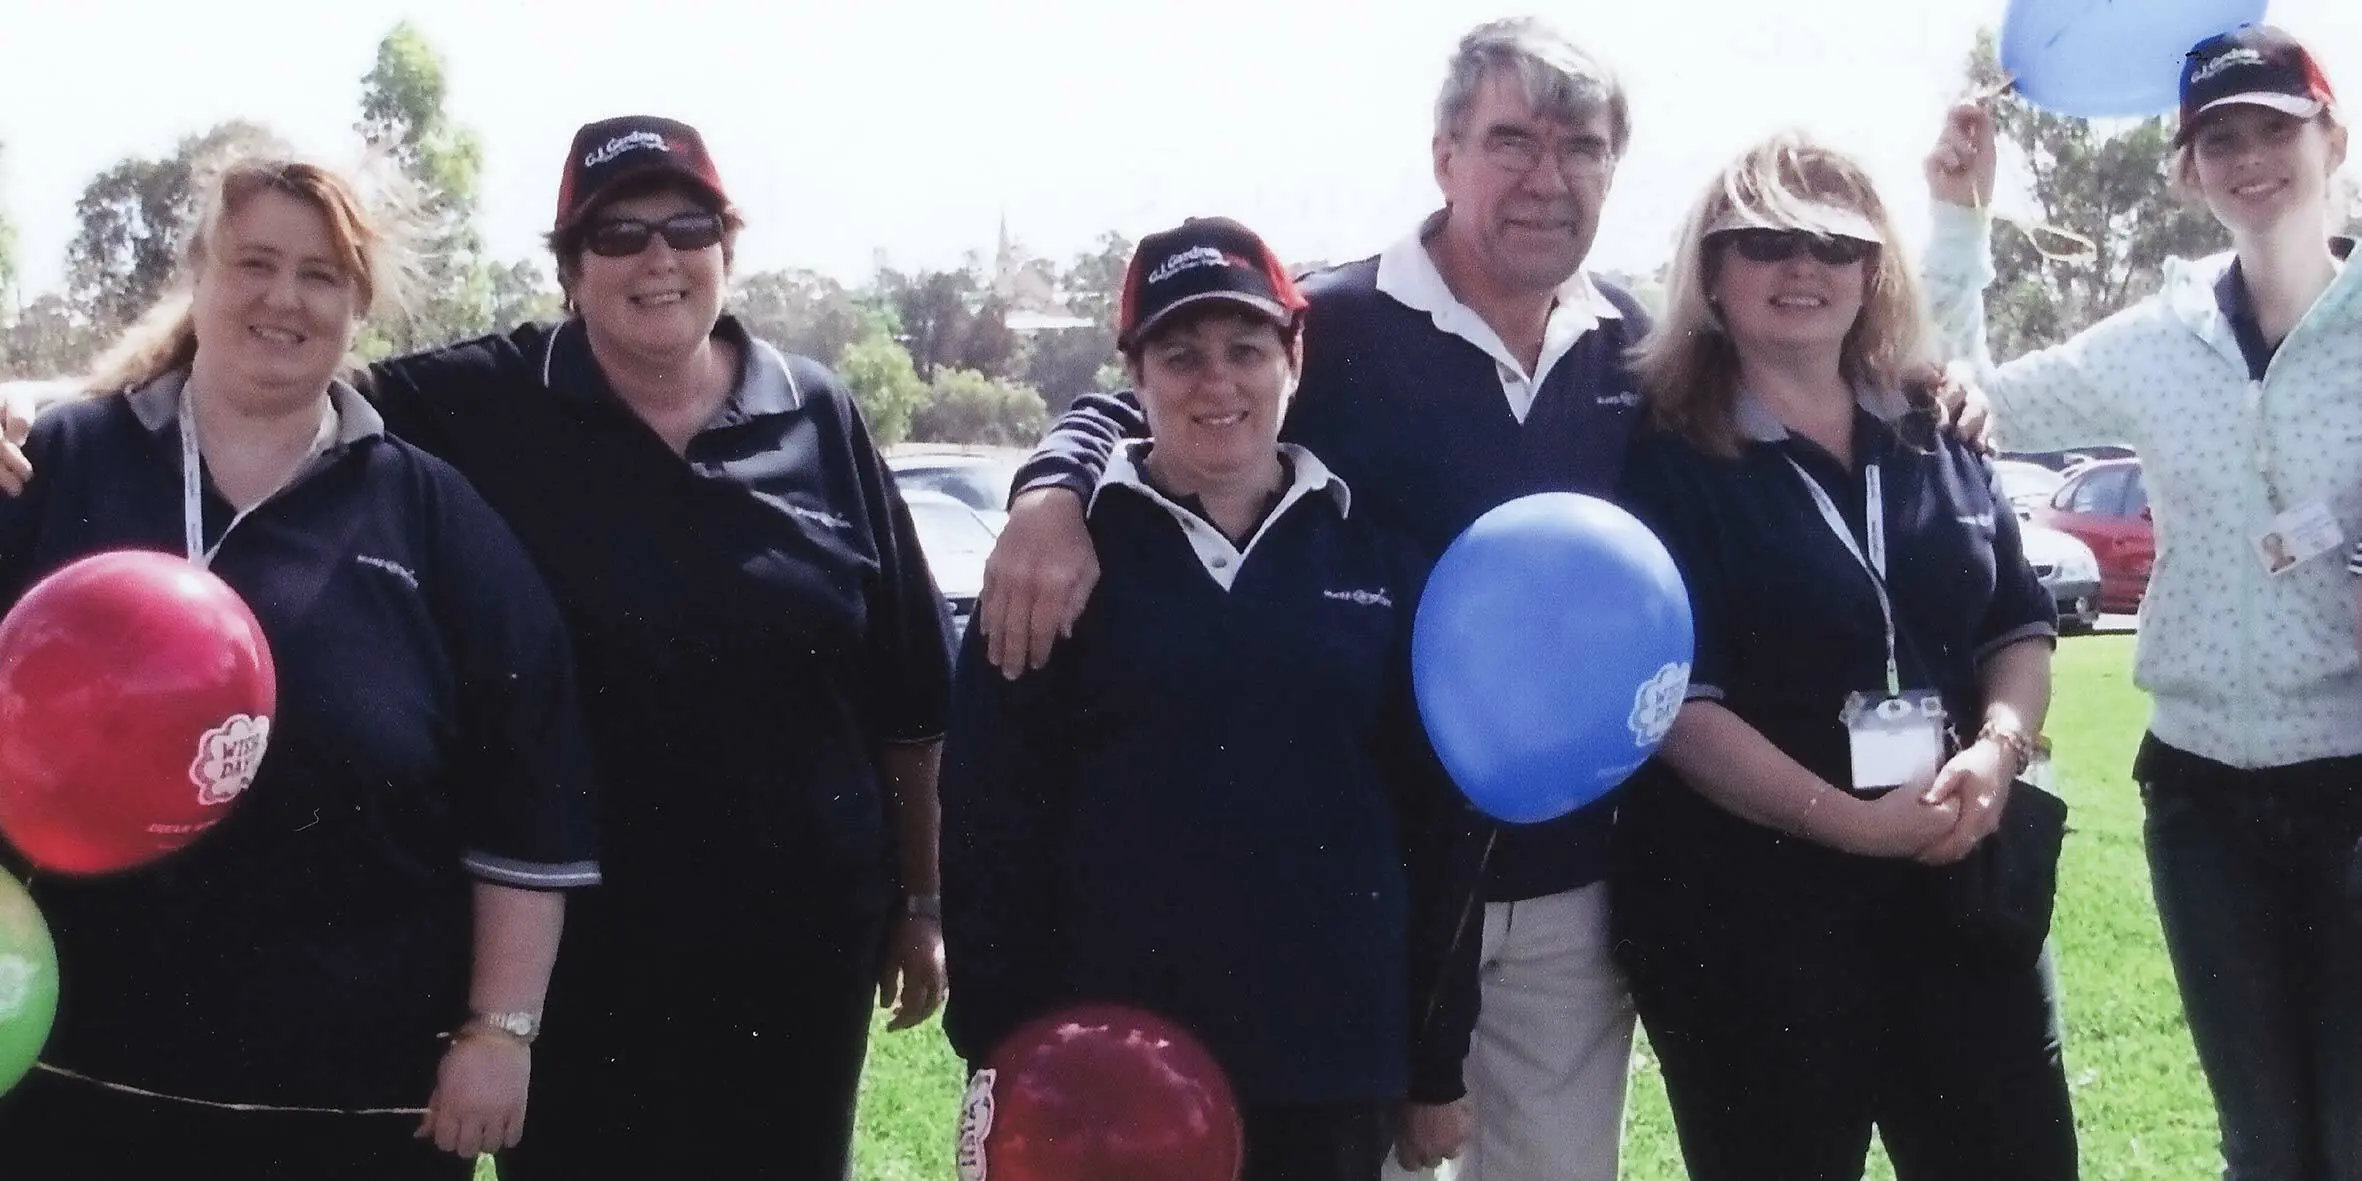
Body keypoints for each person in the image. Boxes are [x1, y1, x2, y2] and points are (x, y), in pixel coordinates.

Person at [1, 114, 954, 1181]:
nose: (654, 257)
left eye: (684, 226)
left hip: (730, 971)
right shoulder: (70, 467)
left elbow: (901, 699)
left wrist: (919, 902)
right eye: (253, 263)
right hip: (109, 1062)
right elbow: (191, 389)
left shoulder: (803, 416)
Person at [981, 20, 1649, 1178]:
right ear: (1443, 153)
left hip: (1557, 882)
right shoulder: (1331, 320)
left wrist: (1934, 378)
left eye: (1578, 146)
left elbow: (1802, 370)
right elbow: (1146, 389)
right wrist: (1049, 488)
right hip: (1366, 915)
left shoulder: (1640, 344)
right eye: (1509, 140)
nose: (1546, 176)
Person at [0, 156, 599, 1180]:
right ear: (198, 272)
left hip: (352, 1107)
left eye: (321, 273)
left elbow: (528, 784)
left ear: (359, 303)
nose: (284, 297)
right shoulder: (59, 464)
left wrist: (502, 1029)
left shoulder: (432, 512)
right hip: (74, 1083)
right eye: (256, 261)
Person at [941, 216, 1483, 1181]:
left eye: (1246, 349)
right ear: (1136, 376)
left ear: (1294, 359)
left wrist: (1434, 1061)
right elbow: (989, 822)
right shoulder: (1054, 566)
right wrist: (997, 1049)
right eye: (1180, 354)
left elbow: (1438, 825)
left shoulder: (1382, 559)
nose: (1218, 382)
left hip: (1329, 1060)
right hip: (1110, 1069)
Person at [1925, 25, 2362, 1180]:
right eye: (2222, 137)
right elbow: (1966, 396)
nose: (2251, 155)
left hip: (2356, 776)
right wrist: (1961, 215)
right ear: (2186, 169)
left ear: (2334, 139)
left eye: (2278, 126)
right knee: (2265, 1145)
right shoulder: (2156, 341)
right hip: (2202, 799)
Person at [1613, 131, 2076, 1181]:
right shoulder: (1664, 459)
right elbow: (1682, 707)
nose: (1803, 266)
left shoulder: (1934, 423)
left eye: (1836, 241)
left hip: (1959, 898)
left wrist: (2000, 749)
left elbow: (2017, 623)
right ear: (1711, 272)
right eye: (1766, 240)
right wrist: (1855, 826)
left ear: (1874, 270)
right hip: (1750, 927)